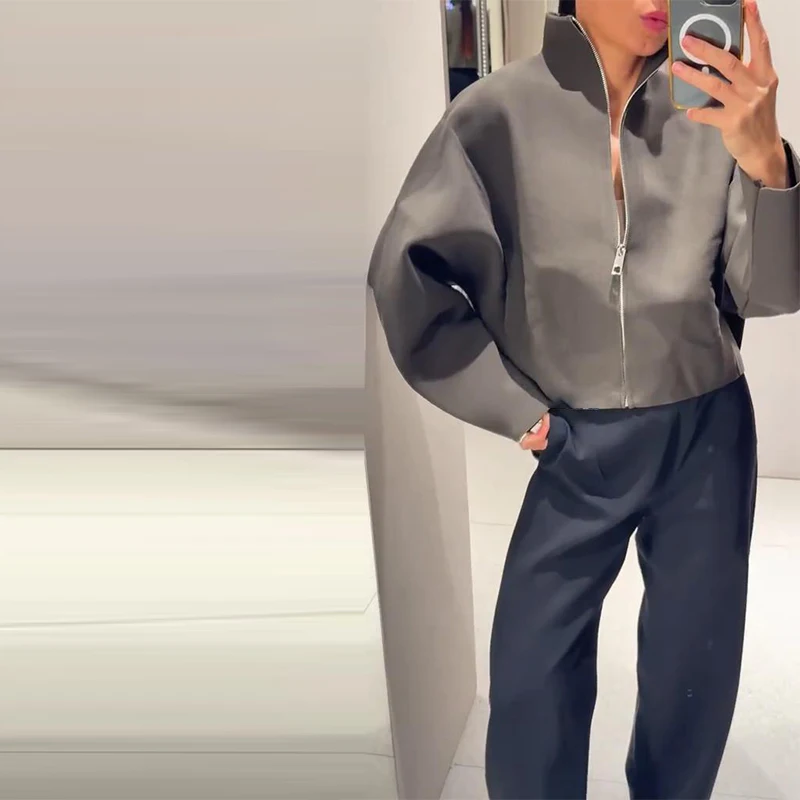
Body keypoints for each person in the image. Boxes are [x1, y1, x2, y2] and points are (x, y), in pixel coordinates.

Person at [367, 0, 799, 797]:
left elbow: (769, 294)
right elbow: (407, 277)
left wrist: (767, 159)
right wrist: (514, 407)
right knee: (532, 669)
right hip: (577, 440)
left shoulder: (713, 111)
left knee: (694, 668)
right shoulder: (496, 115)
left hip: (708, 431)